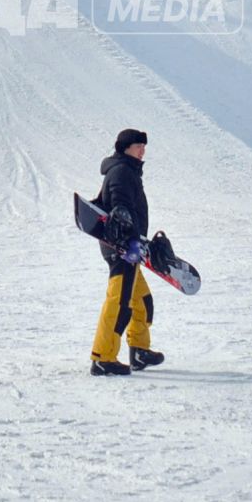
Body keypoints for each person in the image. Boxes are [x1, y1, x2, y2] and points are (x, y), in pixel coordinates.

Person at [90, 128, 162, 375]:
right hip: (122, 248)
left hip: (131, 247)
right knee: (119, 303)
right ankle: (103, 358)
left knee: (141, 301)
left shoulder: (127, 170)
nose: (142, 151)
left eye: (144, 146)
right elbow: (119, 204)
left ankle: (139, 351)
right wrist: (128, 236)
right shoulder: (121, 171)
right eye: (137, 146)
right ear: (124, 148)